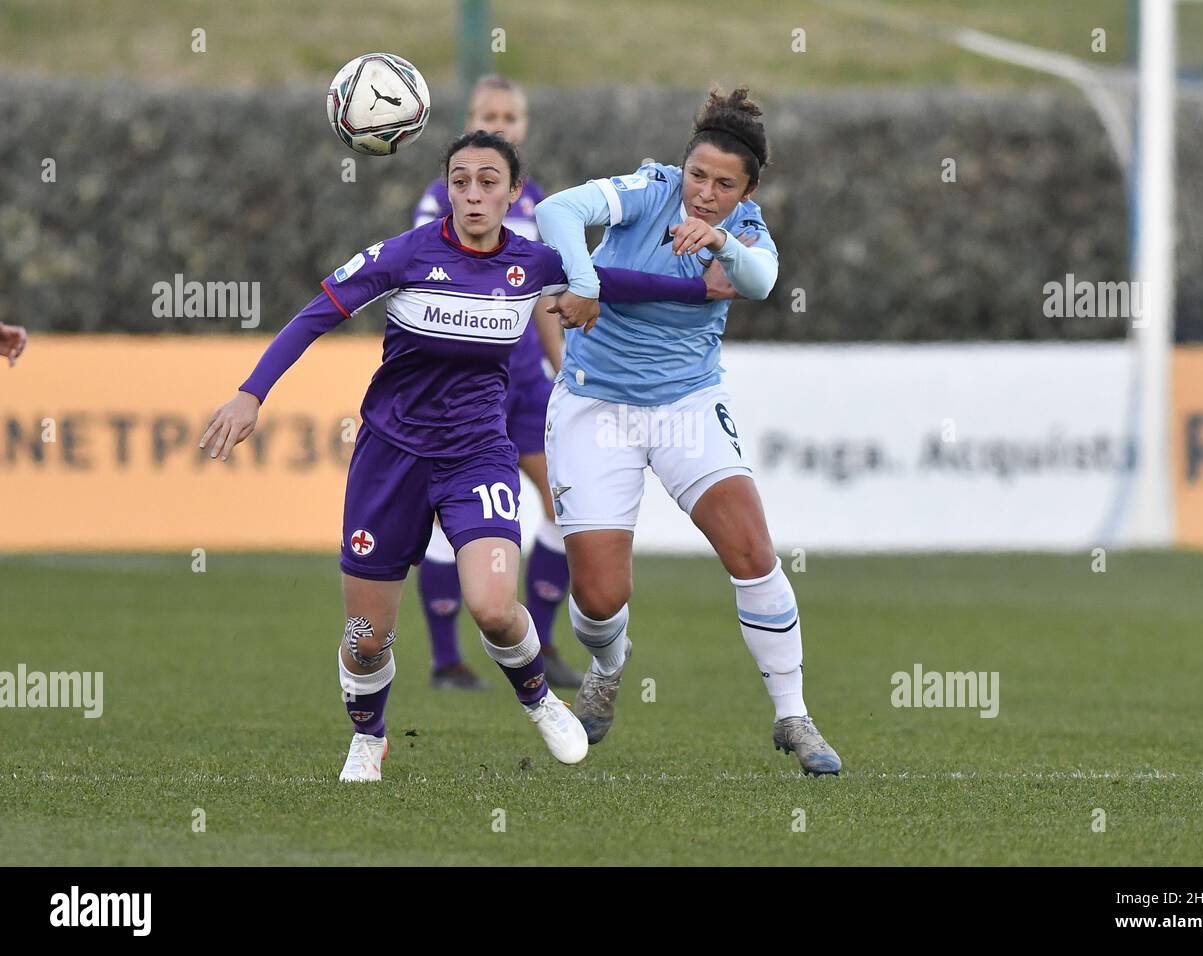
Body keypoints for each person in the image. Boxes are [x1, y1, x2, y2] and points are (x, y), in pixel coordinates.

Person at [200, 131, 730, 781]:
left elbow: (618, 282)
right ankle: (369, 738)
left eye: (488, 181)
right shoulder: (405, 256)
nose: (473, 193)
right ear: (447, 189)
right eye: (460, 181)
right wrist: (251, 394)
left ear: (513, 194)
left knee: (494, 607)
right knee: (366, 639)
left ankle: (540, 700)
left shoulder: (531, 265)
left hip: (476, 455)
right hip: (389, 457)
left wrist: (700, 290)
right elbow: (316, 314)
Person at [535, 87, 842, 774]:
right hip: (594, 404)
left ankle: (794, 715)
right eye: (698, 175)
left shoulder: (746, 232)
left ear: (748, 190)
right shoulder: (648, 190)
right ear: (683, 168)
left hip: (687, 405)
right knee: (600, 598)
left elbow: (762, 282)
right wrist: (582, 278)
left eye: (723, 185)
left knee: (752, 550)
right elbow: (556, 211)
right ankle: (610, 665)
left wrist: (726, 242)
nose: (704, 193)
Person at [412, 75, 581, 691]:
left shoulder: (535, 202)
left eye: (512, 115)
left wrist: (564, 366)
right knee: (445, 521)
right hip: (460, 384)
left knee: (565, 503)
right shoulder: (441, 200)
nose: (502, 124)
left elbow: (538, 290)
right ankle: (446, 660)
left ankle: (536, 640)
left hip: (524, 382)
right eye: (491, 113)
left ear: (524, 126)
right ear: (469, 120)